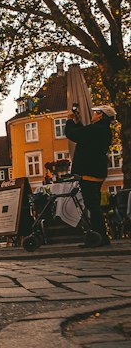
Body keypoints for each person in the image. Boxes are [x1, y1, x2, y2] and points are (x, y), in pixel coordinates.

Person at [65, 103, 115, 245]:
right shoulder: (103, 130)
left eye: (95, 113)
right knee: (94, 204)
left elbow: (74, 134)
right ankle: (99, 236)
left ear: (100, 115)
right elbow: (84, 135)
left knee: (92, 205)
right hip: (97, 171)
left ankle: (99, 237)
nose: (93, 115)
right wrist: (78, 122)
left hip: (89, 172)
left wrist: (69, 120)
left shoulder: (97, 129)